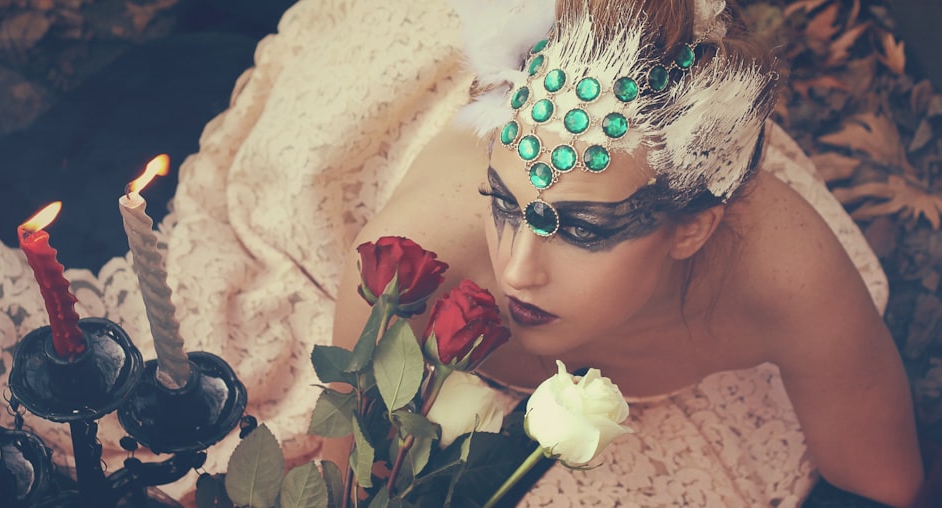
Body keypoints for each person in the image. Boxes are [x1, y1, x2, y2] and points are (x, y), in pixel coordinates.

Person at [327, 0, 924, 505]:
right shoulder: (409, 259)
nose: (516, 271)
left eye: (583, 229)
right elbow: (345, 476)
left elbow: (888, 484)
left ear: (691, 231)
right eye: (504, 204)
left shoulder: (791, 280)